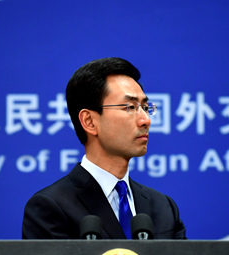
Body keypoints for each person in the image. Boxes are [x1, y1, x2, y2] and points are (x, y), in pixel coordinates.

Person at [22, 57, 186, 239]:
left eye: (146, 107)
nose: (145, 120)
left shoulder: (164, 207)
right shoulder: (52, 207)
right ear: (89, 121)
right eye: (130, 107)